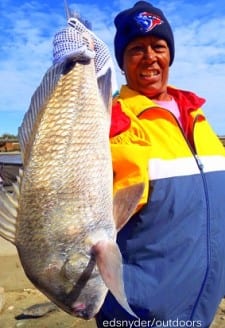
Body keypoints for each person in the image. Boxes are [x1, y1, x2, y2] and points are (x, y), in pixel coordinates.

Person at [53, 2, 225, 327]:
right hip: (138, 315)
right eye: (136, 49)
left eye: (158, 46)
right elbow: (62, 172)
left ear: (169, 54)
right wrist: (69, 73)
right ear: (121, 61)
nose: (149, 57)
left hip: (202, 310)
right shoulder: (110, 118)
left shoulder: (197, 115)